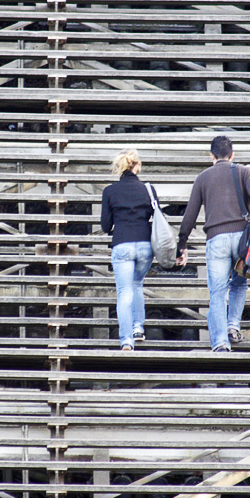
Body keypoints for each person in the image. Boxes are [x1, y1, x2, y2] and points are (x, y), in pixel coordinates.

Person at [176, 135, 250, 352]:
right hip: (242, 240)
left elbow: (190, 214)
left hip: (216, 240)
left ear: (211, 156)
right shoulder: (244, 171)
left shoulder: (202, 178)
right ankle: (232, 326)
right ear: (232, 154)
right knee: (239, 283)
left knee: (217, 292)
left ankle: (220, 343)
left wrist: (182, 244)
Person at [101, 149, 158, 351]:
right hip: (144, 246)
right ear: (137, 166)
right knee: (137, 284)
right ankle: (138, 328)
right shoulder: (148, 189)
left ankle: (126, 340)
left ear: (119, 168)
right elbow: (156, 217)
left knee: (124, 292)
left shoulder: (109, 191)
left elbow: (106, 226)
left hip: (122, 245)